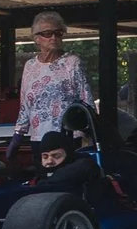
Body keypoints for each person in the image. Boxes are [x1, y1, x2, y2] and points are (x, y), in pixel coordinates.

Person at [12, 11, 94, 143]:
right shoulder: (30, 65)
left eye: (58, 33)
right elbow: (25, 103)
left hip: (67, 136)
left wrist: (82, 133)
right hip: (38, 138)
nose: (53, 37)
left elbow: (86, 100)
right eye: (47, 34)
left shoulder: (72, 62)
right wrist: (18, 134)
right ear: (36, 38)